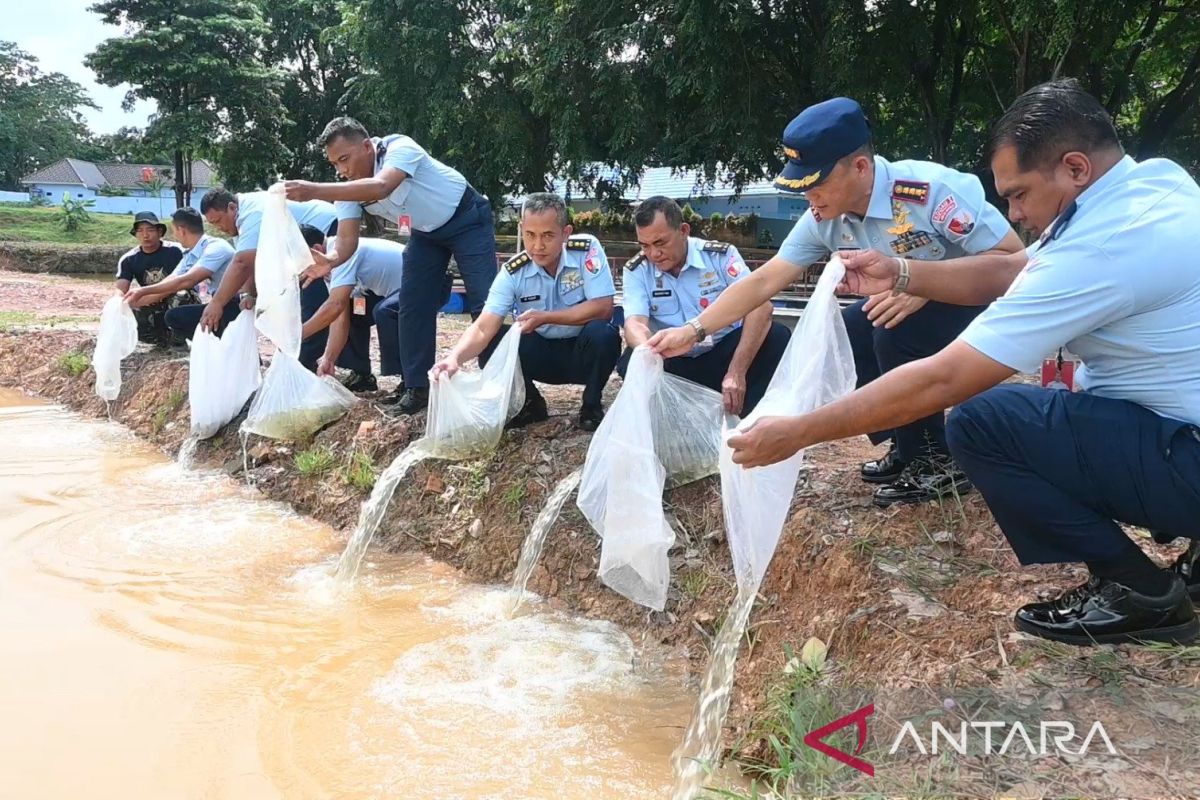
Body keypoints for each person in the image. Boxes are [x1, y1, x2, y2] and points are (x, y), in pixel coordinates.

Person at [726, 79, 1200, 646]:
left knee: (983, 422)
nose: (1014, 213)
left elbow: (946, 377)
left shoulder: (1099, 246)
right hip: (1179, 426)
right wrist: (903, 272)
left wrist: (800, 432)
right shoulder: (1155, 183)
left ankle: (1137, 590)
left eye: (1019, 194)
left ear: (1075, 168)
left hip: (1186, 449)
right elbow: (1015, 267)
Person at [648, 98, 1024, 506]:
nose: (808, 196)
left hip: (984, 302)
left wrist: (919, 284)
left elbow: (1011, 261)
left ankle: (936, 461)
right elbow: (765, 280)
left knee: (894, 333)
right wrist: (693, 330)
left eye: (816, 182)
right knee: (847, 333)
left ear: (860, 168)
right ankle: (907, 443)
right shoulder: (826, 218)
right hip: (910, 299)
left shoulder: (929, 193)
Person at [282, 117, 498, 414]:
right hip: (426, 234)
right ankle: (417, 389)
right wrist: (330, 260)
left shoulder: (399, 147)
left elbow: (382, 186)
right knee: (410, 305)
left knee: (486, 304)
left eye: (344, 159)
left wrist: (315, 190)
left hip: (467, 218)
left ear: (367, 146)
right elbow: (346, 243)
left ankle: (502, 387)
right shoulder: (348, 191)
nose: (341, 170)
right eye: (335, 164)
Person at [430, 193, 620, 431]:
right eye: (530, 235)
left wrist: (546, 317)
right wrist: (453, 359)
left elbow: (603, 307)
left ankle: (591, 405)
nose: (537, 246)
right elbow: (482, 326)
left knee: (604, 333)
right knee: (494, 340)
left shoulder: (586, 251)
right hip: (541, 355)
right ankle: (530, 404)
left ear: (566, 233)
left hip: (582, 353)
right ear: (522, 229)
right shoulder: (514, 271)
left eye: (548, 235)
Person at [621, 196, 789, 417]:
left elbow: (760, 307)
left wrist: (736, 371)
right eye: (645, 246)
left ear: (683, 230)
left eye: (660, 243)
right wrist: (648, 349)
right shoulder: (638, 270)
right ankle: (670, 420)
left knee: (776, 337)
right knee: (632, 358)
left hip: (722, 355)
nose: (653, 254)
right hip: (673, 361)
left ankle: (748, 419)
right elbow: (634, 322)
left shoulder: (719, 257)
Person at [199, 189, 338, 371]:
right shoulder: (240, 223)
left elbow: (241, 263)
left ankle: (305, 365)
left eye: (218, 221)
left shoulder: (253, 214)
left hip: (325, 233)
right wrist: (250, 293)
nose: (219, 229)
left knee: (313, 298)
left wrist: (217, 302)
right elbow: (251, 261)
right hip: (299, 247)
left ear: (232, 208)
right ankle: (302, 362)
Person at [300, 231, 406, 395]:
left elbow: (334, 306)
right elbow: (339, 315)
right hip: (394, 291)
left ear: (317, 249)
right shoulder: (327, 265)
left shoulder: (340, 253)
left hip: (425, 282)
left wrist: (298, 334)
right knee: (355, 313)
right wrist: (329, 359)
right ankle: (361, 374)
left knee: (385, 312)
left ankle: (412, 382)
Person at [123, 207, 239, 341]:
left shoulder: (216, 247)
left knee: (180, 303)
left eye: (174, 231)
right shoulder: (190, 255)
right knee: (174, 316)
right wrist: (125, 304)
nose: (174, 236)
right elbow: (170, 282)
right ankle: (216, 344)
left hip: (236, 303)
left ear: (181, 230)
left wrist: (142, 290)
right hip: (220, 303)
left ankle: (219, 342)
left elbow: (187, 281)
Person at [114, 211, 185, 344]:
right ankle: (157, 338)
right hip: (150, 302)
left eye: (150, 230)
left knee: (182, 295)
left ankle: (180, 336)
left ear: (159, 232)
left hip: (173, 294)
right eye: (140, 231)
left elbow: (181, 282)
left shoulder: (177, 251)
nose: (145, 235)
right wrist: (115, 304)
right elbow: (121, 290)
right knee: (122, 307)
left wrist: (149, 297)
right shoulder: (129, 259)